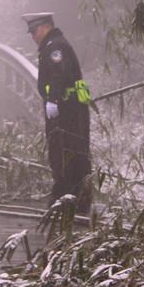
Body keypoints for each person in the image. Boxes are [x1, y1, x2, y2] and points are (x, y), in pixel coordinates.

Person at [22, 12, 92, 213]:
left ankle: (68, 201)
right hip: (69, 109)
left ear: (45, 27)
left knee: (65, 153)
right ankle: (71, 199)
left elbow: (58, 75)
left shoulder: (55, 46)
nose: (33, 36)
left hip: (66, 110)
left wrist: (52, 100)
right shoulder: (53, 44)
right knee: (69, 154)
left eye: (34, 31)